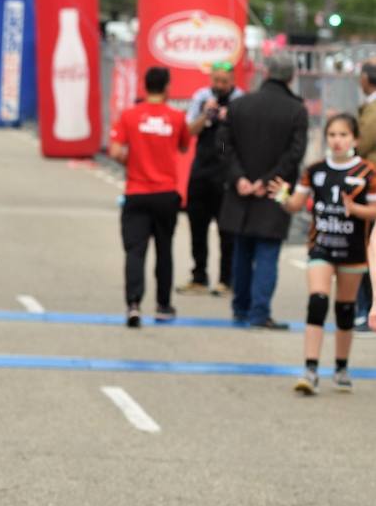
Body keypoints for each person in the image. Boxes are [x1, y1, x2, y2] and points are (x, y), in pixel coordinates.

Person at [270, 113, 376, 393]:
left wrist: (356, 210)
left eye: (343, 135)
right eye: (332, 135)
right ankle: (310, 369)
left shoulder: (367, 172)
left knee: (345, 309)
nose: (337, 141)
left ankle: (341, 367)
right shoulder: (315, 169)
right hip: (322, 246)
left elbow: (375, 210)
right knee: (317, 301)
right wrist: (282, 194)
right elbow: (295, 205)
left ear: (355, 139)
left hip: (353, 249)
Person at [219, 53, 307, 330]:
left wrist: (239, 178)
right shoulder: (296, 110)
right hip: (274, 191)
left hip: (240, 191)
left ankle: (240, 308)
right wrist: (268, 180)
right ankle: (259, 313)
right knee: (268, 251)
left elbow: (222, 146)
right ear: (291, 77)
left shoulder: (239, 105)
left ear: (266, 73)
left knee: (242, 250)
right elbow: (295, 154)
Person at [108, 66, 190, 327]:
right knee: (164, 250)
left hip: (136, 192)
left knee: (135, 251)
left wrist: (132, 162)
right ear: (167, 87)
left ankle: (133, 304)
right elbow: (185, 145)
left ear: (144, 86)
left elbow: (115, 150)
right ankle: (163, 305)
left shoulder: (130, 116)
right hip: (166, 193)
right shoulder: (177, 117)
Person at [180, 60, 243, 296]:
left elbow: (242, 138)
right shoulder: (201, 97)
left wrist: (229, 118)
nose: (220, 85)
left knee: (227, 231)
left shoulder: (240, 100)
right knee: (197, 226)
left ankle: (227, 280)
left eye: (225, 82)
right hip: (202, 169)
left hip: (227, 167)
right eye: (216, 80)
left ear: (233, 82)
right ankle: (199, 276)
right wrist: (206, 116)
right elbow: (188, 132)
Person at [355, 61, 376, 336]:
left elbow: (362, 144)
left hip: (371, 184)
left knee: (368, 248)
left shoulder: (373, 110)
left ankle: (367, 308)